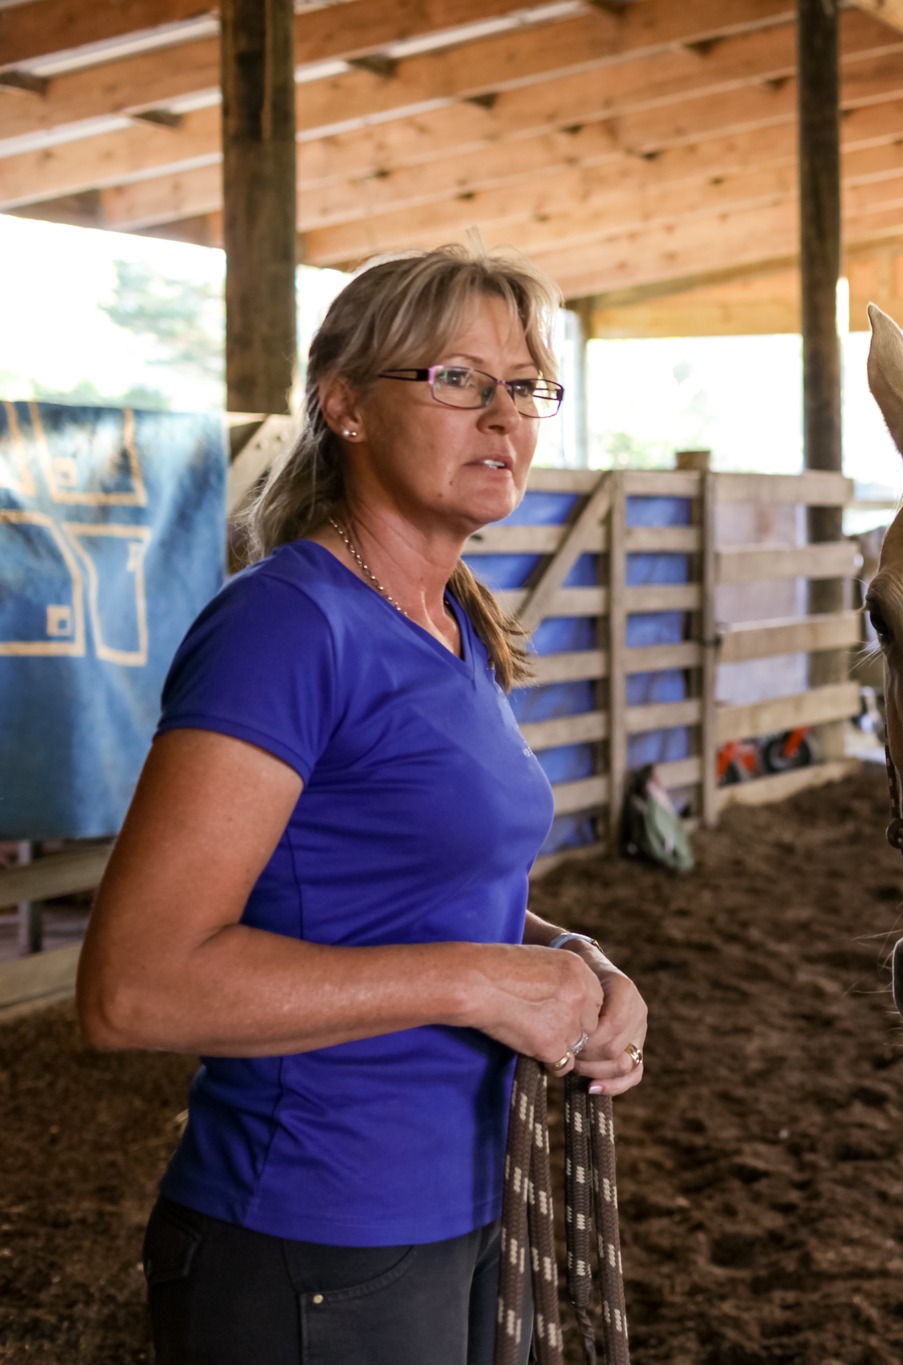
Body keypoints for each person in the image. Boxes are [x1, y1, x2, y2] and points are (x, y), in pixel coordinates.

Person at [76, 242, 648, 1364]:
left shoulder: (452, 622)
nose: (503, 415)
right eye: (457, 379)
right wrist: (480, 981)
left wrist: (572, 963)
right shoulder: (288, 626)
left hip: (462, 1205)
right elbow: (134, 989)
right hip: (313, 1239)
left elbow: (408, 891)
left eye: (524, 386)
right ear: (343, 406)